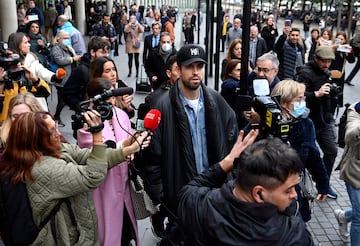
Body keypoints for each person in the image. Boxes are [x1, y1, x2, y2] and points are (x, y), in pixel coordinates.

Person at [0, 110, 149, 245]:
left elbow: (90, 156)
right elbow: (92, 175)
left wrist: (129, 147)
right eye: (52, 132)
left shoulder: (51, 150)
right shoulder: (43, 168)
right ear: (35, 139)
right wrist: (97, 134)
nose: (58, 134)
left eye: (56, 127)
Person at [140, 44, 239, 244]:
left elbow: (233, 146)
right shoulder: (162, 107)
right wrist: (164, 199)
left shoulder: (217, 102)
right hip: (181, 202)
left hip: (214, 198)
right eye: (189, 66)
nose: (195, 72)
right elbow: (150, 161)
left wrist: (230, 185)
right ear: (179, 69)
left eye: (199, 66)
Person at [178, 135, 315, 245]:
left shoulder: (197, 205)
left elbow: (190, 188)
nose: (295, 195)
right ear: (259, 194)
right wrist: (291, 211)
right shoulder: (293, 234)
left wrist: (226, 163)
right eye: (288, 190)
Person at [77, 77, 138, 245]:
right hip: (103, 186)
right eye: (105, 97)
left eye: (111, 96)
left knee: (126, 230)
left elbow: (128, 137)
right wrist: (126, 148)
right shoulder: (86, 122)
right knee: (108, 230)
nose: (110, 101)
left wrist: (132, 150)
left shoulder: (120, 114)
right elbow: (93, 153)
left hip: (125, 183)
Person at [270, 79, 330, 222]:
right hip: (269, 192)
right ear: (284, 103)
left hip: (294, 191)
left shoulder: (305, 124)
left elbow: (314, 157)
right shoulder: (267, 123)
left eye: (303, 98)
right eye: (299, 99)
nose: (303, 102)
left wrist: (323, 185)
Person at [294, 45, 338, 199]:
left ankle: (324, 183)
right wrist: (316, 93)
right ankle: (304, 185)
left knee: (332, 151)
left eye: (329, 62)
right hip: (309, 120)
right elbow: (297, 94)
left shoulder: (326, 72)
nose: (326, 65)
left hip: (325, 119)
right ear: (315, 59)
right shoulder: (305, 73)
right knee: (308, 155)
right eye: (324, 61)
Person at [62, 36, 110, 113]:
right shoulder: (81, 71)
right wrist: (81, 108)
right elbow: (67, 94)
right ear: (92, 52)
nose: (107, 55)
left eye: (107, 52)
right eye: (103, 52)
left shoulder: (105, 66)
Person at [336, 101, 360, 244]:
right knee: (359, 218)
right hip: (356, 173)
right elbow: (350, 137)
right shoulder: (355, 111)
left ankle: (344, 216)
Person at [50, 30, 82, 127]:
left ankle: (57, 117)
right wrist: (73, 59)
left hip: (70, 77)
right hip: (62, 78)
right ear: (59, 39)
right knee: (62, 100)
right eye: (65, 38)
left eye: (68, 37)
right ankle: (56, 117)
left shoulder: (67, 47)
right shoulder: (56, 48)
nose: (67, 40)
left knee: (64, 99)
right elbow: (60, 60)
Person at [328, 31, 355, 107]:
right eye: (338, 39)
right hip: (329, 73)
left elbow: (352, 61)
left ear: (345, 40)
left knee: (337, 92)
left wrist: (349, 52)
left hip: (340, 74)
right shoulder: (332, 47)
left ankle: (335, 107)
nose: (340, 41)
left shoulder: (345, 49)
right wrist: (333, 48)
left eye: (342, 39)